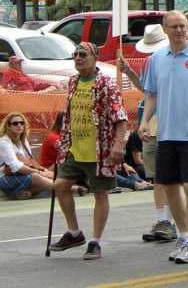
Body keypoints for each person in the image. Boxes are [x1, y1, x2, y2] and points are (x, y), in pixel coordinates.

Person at [139, 10, 188, 263]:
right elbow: (151, 94)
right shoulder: (157, 58)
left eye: (183, 25)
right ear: (165, 30)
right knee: (169, 187)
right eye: (174, 26)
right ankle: (183, 235)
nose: (179, 30)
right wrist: (143, 122)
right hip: (166, 134)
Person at [49, 42, 127, 260]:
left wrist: (118, 145)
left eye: (82, 54)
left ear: (94, 57)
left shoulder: (106, 84)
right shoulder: (73, 81)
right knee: (60, 185)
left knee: (99, 193)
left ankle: (95, 241)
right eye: (75, 55)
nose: (77, 58)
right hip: (75, 147)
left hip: (99, 151)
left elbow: (120, 117)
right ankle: (74, 233)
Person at [118, 23, 177, 242]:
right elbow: (147, 89)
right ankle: (163, 220)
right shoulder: (149, 62)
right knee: (158, 176)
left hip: (171, 124)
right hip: (151, 126)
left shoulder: (174, 60)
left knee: (172, 178)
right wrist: (130, 72)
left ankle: (173, 222)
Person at [0, 112, 86, 200]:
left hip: (22, 173)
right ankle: (73, 189)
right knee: (38, 177)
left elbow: (30, 161)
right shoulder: (4, 142)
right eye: (15, 123)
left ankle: (18, 194)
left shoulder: (23, 141)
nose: (19, 125)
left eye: (21, 123)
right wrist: (38, 171)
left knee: (50, 176)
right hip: (4, 177)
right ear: (8, 126)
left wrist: (42, 170)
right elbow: (16, 167)